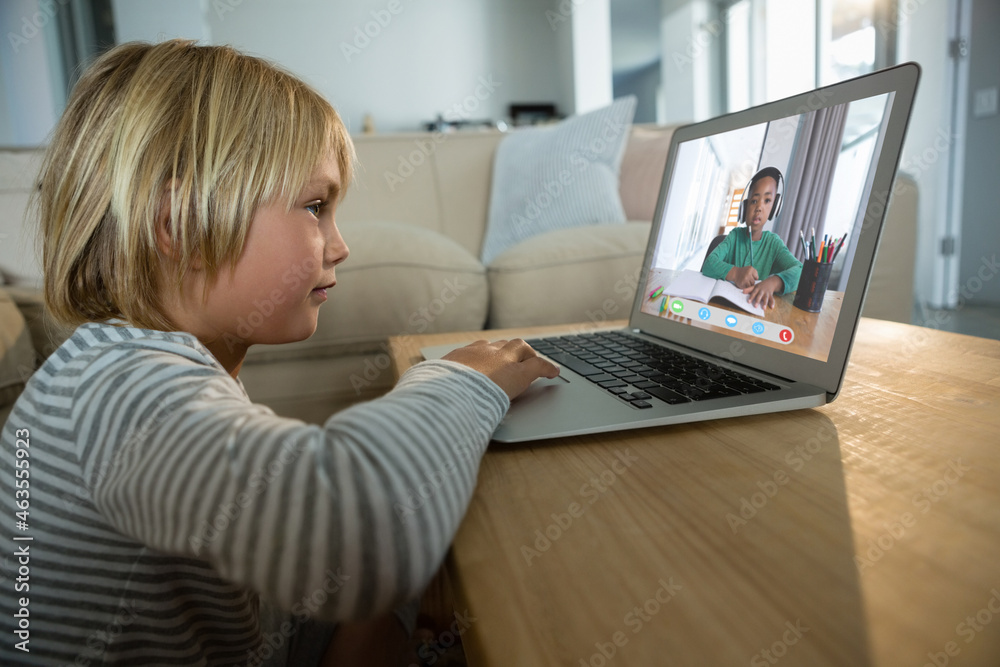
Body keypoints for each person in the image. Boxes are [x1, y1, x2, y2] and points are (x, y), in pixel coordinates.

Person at [0, 40, 558, 666]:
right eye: (316, 207)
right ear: (180, 222)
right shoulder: (121, 387)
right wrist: (459, 381)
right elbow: (360, 537)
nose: (339, 245)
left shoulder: (127, 363)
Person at [701, 167, 801, 309]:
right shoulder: (734, 236)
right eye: (754, 201)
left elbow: (799, 270)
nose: (759, 207)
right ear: (744, 207)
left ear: (774, 208)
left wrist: (773, 282)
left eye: (767, 200)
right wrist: (735, 273)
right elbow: (709, 264)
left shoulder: (773, 244)